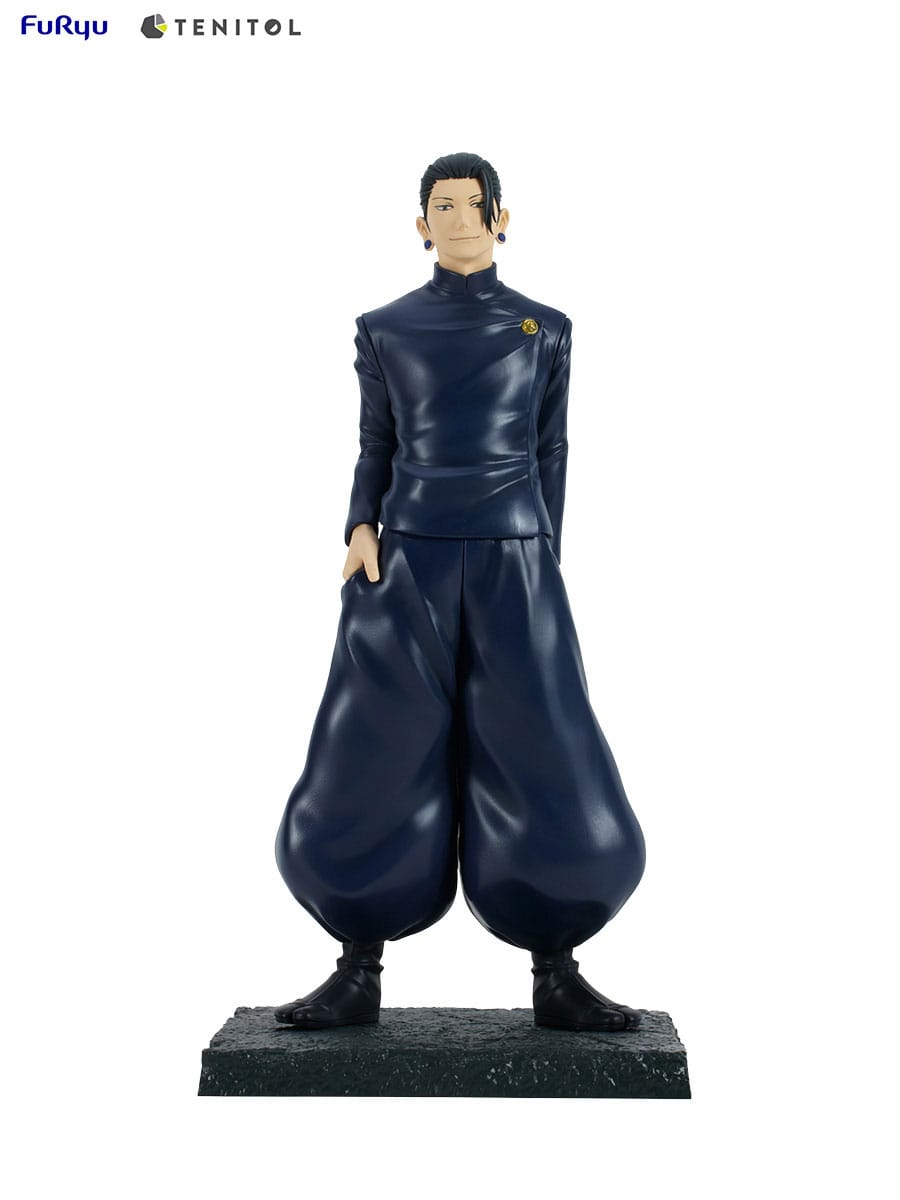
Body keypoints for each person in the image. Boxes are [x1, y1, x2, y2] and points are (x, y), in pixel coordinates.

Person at [274, 152, 646, 1032]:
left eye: (470, 204)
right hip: (406, 560)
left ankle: (557, 967)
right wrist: (360, 527)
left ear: (500, 217)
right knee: (370, 747)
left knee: (546, 747)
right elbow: (376, 442)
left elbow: (551, 449)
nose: (455, 218)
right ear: (420, 224)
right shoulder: (386, 328)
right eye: (439, 206)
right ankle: (356, 964)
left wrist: (544, 551)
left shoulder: (544, 328)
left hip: (516, 558)